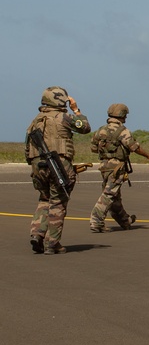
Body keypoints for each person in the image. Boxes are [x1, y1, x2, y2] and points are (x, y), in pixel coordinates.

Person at [24, 86, 91, 255]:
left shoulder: (35, 121)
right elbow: (84, 127)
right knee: (58, 202)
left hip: (38, 167)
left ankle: (37, 234)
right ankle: (52, 243)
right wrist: (76, 110)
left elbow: (27, 148)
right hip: (58, 165)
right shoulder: (63, 117)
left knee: (44, 199)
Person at [89, 103, 149, 233]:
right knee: (109, 194)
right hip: (117, 167)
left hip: (104, 166)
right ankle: (96, 221)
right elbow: (134, 147)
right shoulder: (123, 131)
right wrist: (148, 156)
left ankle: (125, 221)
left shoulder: (101, 130)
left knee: (115, 196)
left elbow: (93, 148)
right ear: (122, 115)